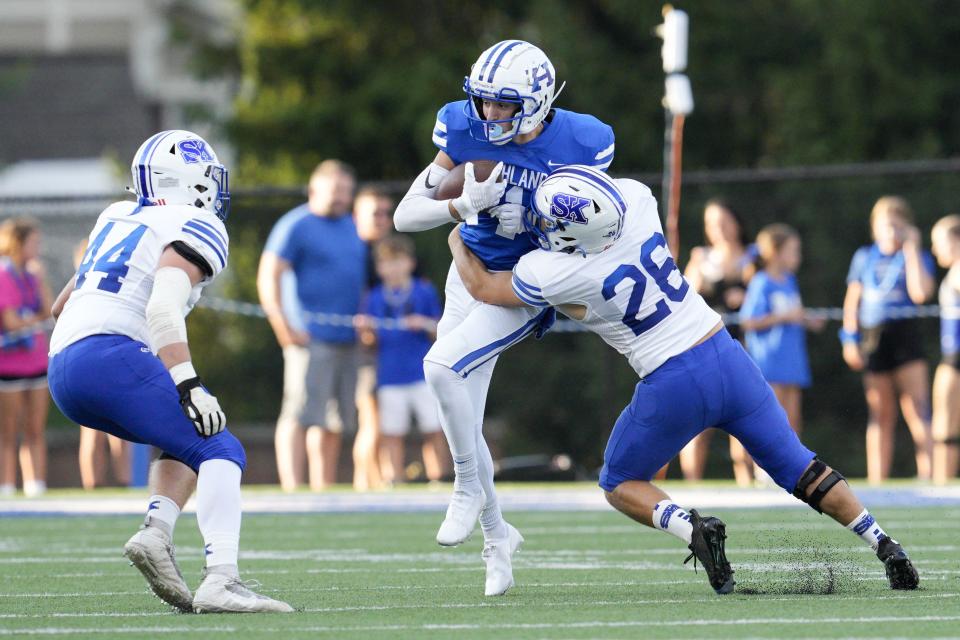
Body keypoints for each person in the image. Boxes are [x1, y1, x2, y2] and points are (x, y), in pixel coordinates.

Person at [449, 165, 919, 595]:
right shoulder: (635, 201)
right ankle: (883, 542)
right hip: (727, 357)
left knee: (617, 481)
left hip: (670, 380)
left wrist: (457, 229)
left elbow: (482, 287)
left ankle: (690, 526)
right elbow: (591, 189)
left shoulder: (551, 269)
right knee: (802, 469)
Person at [393, 39, 615, 596]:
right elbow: (404, 215)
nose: (489, 114)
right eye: (483, 102)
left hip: (523, 284)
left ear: (537, 101)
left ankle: (466, 485)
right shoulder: (461, 128)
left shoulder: (584, 141)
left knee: (441, 369)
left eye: (503, 104)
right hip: (467, 270)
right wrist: (462, 205)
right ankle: (498, 538)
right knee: (463, 406)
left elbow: (600, 222)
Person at [47, 130, 291, 613]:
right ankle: (223, 579)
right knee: (221, 446)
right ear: (190, 182)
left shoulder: (115, 216)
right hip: (108, 355)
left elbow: (60, 306)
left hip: (63, 366)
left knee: (183, 442)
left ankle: (155, 533)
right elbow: (162, 308)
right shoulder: (196, 223)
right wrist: (189, 382)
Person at [258, 160, 366, 491]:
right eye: (336, 191)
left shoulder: (352, 225)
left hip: (348, 338)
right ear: (314, 189)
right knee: (298, 414)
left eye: (347, 192)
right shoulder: (295, 225)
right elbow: (269, 274)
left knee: (334, 420)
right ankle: (292, 488)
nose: (342, 198)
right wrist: (283, 326)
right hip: (307, 337)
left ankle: (323, 487)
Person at [841, 196, 934, 483]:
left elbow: (921, 294)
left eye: (898, 224)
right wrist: (849, 339)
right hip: (873, 336)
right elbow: (852, 301)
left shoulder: (915, 255)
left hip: (905, 332)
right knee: (880, 412)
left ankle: (931, 475)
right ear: (875, 227)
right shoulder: (864, 256)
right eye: (886, 225)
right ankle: (877, 481)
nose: (892, 231)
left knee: (917, 408)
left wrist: (912, 249)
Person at [358, 235, 446, 485]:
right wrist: (365, 330)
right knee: (392, 432)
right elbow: (368, 342)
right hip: (390, 375)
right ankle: (394, 479)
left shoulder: (423, 290)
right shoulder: (374, 297)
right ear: (379, 267)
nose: (394, 268)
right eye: (387, 263)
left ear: (410, 263)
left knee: (433, 428)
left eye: (399, 261)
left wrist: (424, 323)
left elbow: (442, 329)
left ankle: (439, 477)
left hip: (422, 373)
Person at [681, 199, 757, 485]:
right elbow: (685, 297)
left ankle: (746, 481)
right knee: (699, 418)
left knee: (744, 416)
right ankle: (692, 484)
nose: (720, 229)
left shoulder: (754, 257)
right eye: (712, 224)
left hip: (746, 348)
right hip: (706, 348)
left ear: (737, 222)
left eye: (725, 221)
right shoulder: (701, 258)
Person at [740, 224, 824, 435]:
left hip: (792, 359)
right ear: (776, 253)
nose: (798, 256)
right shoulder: (761, 282)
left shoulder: (790, 281)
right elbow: (748, 321)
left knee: (793, 419)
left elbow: (795, 312)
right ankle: (764, 468)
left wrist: (809, 320)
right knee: (771, 418)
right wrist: (784, 317)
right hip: (770, 361)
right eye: (793, 250)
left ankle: (793, 466)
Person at [69, 238, 131, 490]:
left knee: (122, 427)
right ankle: (92, 486)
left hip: (110, 357)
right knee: (93, 429)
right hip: (92, 358)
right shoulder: (81, 289)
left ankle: (126, 483)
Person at [0, 218, 53, 497]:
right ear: (18, 242)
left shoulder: (32, 275)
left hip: (36, 360)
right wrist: (32, 321)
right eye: (33, 241)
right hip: (9, 363)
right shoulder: (3, 274)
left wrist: (41, 278)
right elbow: (10, 322)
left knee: (35, 428)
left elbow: (48, 310)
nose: (37, 246)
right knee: (8, 430)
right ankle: (6, 486)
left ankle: (36, 485)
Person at [352, 186, 395, 491]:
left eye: (386, 213)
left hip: (395, 350)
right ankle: (365, 482)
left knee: (384, 420)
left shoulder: (395, 253)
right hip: (363, 348)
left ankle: (376, 480)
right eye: (375, 213)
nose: (382, 219)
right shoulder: (355, 254)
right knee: (372, 418)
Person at [930, 214, 960, 484]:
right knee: (944, 422)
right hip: (951, 356)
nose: (935, 249)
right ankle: (942, 482)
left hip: (956, 359)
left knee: (946, 423)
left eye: (939, 242)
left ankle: (943, 485)